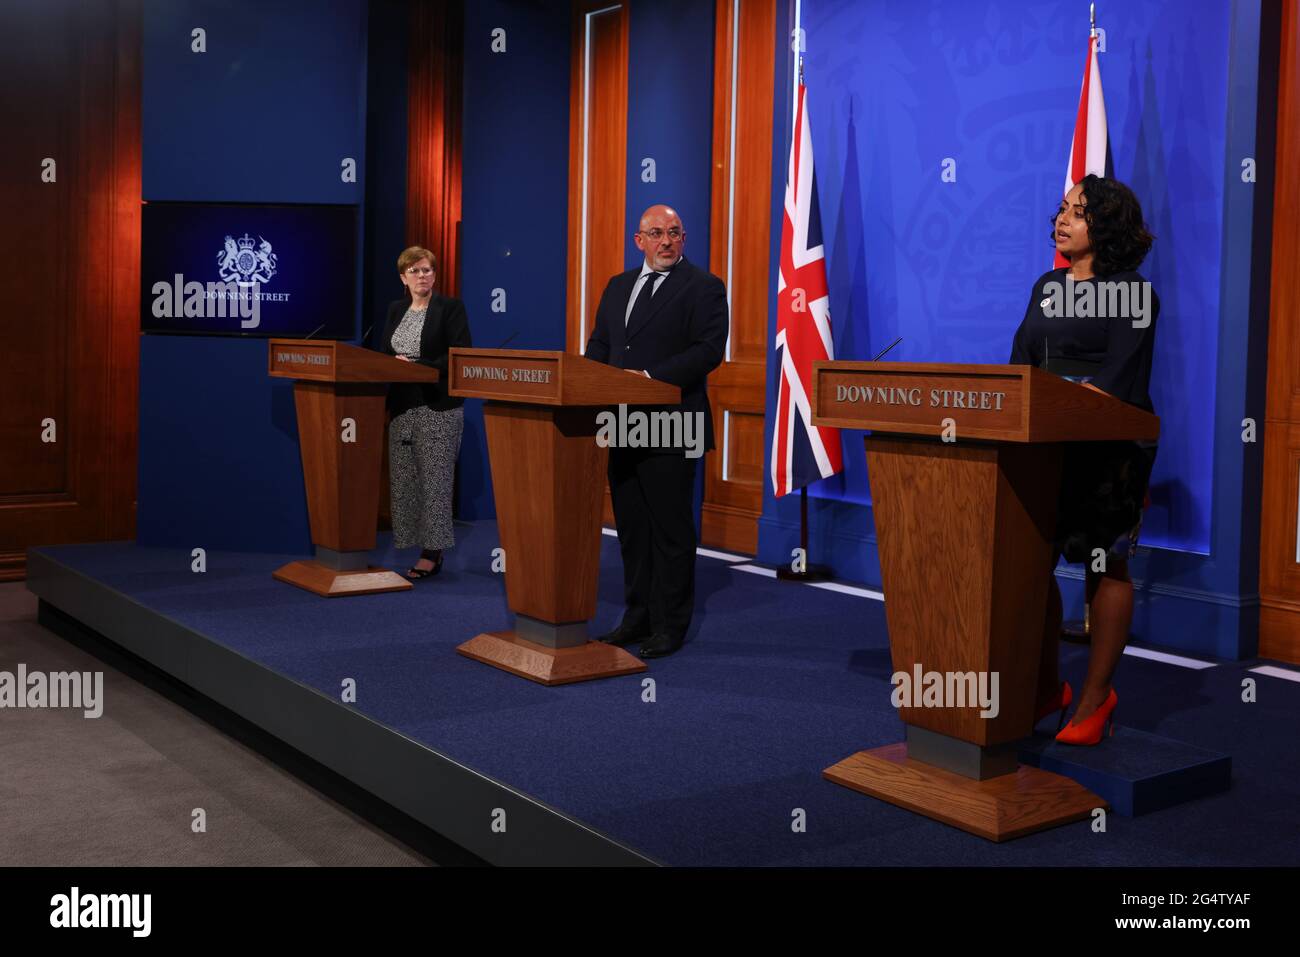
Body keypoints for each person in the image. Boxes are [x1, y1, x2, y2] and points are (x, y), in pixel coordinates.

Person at [1010, 174, 1158, 745]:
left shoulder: (1135, 294)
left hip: (1109, 452)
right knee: (1032, 563)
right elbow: (1021, 362)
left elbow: (1118, 381)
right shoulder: (1047, 284)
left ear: (1109, 226)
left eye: (1079, 211)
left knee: (1105, 565)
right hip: (1045, 445)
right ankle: (1047, 686)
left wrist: (1056, 400)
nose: (1063, 219)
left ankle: (1097, 697)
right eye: (1063, 209)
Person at [584, 204, 728, 658]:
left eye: (674, 233)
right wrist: (591, 379)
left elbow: (708, 352)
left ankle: (670, 626)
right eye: (656, 234)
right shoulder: (618, 285)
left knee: (670, 529)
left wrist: (650, 379)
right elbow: (601, 343)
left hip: (673, 418)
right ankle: (637, 617)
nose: (666, 241)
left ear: (683, 238)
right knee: (632, 528)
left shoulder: (703, 287)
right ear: (638, 240)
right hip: (621, 420)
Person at [371, 246, 472, 579]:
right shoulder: (395, 309)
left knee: (435, 483)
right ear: (403, 277)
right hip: (401, 407)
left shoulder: (450, 308)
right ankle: (412, 543)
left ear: (435, 274)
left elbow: (459, 355)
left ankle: (432, 553)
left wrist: (418, 367)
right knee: (405, 483)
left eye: (427, 270)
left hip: (437, 406)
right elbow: (385, 352)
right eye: (414, 271)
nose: (421, 276)